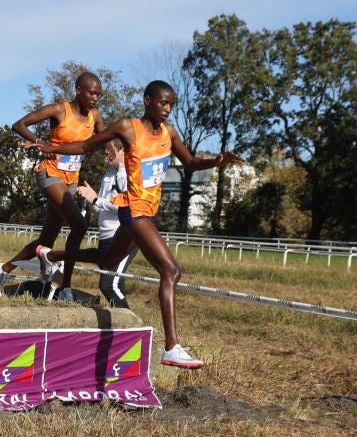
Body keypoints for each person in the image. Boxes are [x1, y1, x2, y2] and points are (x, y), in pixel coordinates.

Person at [26, 80, 242, 369]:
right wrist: (48, 145)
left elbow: (189, 161)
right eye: (162, 102)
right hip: (134, 212)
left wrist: (216, 160)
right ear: (147, 100)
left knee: (107, 259)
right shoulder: (128, 127)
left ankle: (51, 255)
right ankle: (172, 347)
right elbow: (85, 145)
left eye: (171, 105)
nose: (167, 109)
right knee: (171, 271)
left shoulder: (169, 133)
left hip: (146, 213)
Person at [0, 72, 105, 299]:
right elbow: (19, 124)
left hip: (71, 179)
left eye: (99, 94)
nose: (95, 98)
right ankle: (65, 287)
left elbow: (105, 141)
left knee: (46, 240)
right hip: (50, 173)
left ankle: (3, 269)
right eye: (91, 92)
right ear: (78, 90)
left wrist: (116, 150)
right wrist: (39, 142)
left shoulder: (95, 117)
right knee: (79, 225)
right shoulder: (59, 110)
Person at [76, 138, 137, 308]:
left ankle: (132, 326)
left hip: (122, 238)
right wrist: (90, 199)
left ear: (122, 150)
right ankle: (122, 327)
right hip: (105, 238)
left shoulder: (130, 175)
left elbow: (125, 206)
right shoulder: (107, 176)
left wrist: (96, 198)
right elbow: (100, 211)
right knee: (116, 286)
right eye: (104, 149)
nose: (105, 153)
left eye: (109, 149)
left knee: (108, 285)